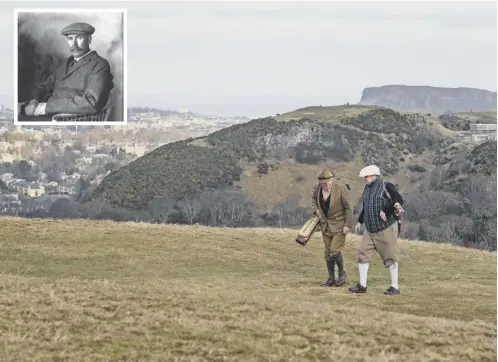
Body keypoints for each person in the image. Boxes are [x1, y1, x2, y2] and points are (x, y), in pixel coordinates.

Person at [25, 22, 114, 117]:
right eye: (70, 38)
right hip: (44, 114)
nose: (73, 44)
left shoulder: (99, 65)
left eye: (79, 38)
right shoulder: (65, 63)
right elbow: (45, 86)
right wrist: (34, 100)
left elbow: (91, 102)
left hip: (69, 119)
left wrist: (46, 108)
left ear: (89, 40)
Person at [348, 165, 404, 295]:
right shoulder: (367, 189)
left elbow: (399, 199)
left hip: (385, 228)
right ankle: (362, 285)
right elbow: (366, 206)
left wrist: (386, 210)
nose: (364, 179)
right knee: (362, 255)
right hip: (370, 229)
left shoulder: (386, 185)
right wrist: (360, 221)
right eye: (364, 177)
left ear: (374, 176)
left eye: (366, 177)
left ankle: (395, 287)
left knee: (390, 257)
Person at [311, 168, 353, 287]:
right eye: (321, 183)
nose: (323, 185)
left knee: (334, 250)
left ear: (331, 180)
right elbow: (314, 199)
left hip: (339, 226)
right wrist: (316, 209)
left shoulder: (341, 189)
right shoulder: (318, 188)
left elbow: (349, 208)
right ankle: (331, 278)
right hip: (325, 225)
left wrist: (347, 225)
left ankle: (342, 274)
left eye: (325, 182)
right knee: (327, 253)